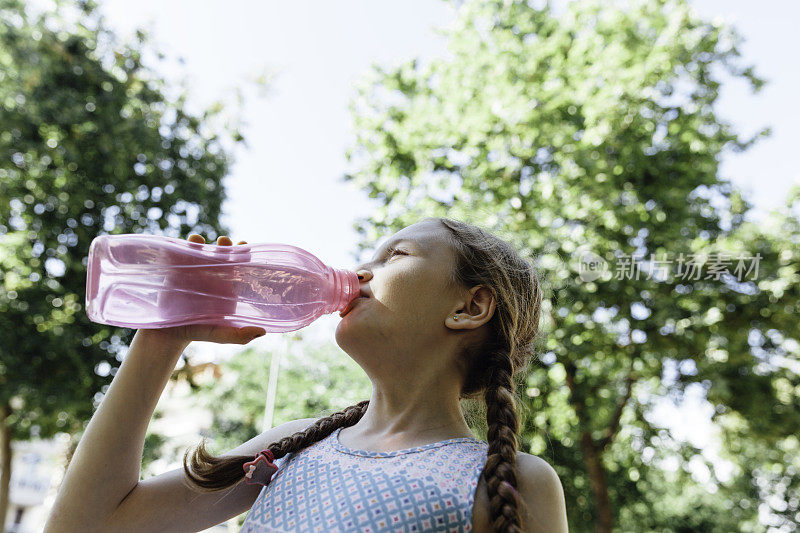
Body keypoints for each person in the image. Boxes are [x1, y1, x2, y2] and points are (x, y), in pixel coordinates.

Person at [46, 217, 568, 532]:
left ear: (470, 305)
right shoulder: (291, 448)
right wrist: (164, 335)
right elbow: (89, 525)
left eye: (396, 256)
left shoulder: (510, 483)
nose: (361, 272)